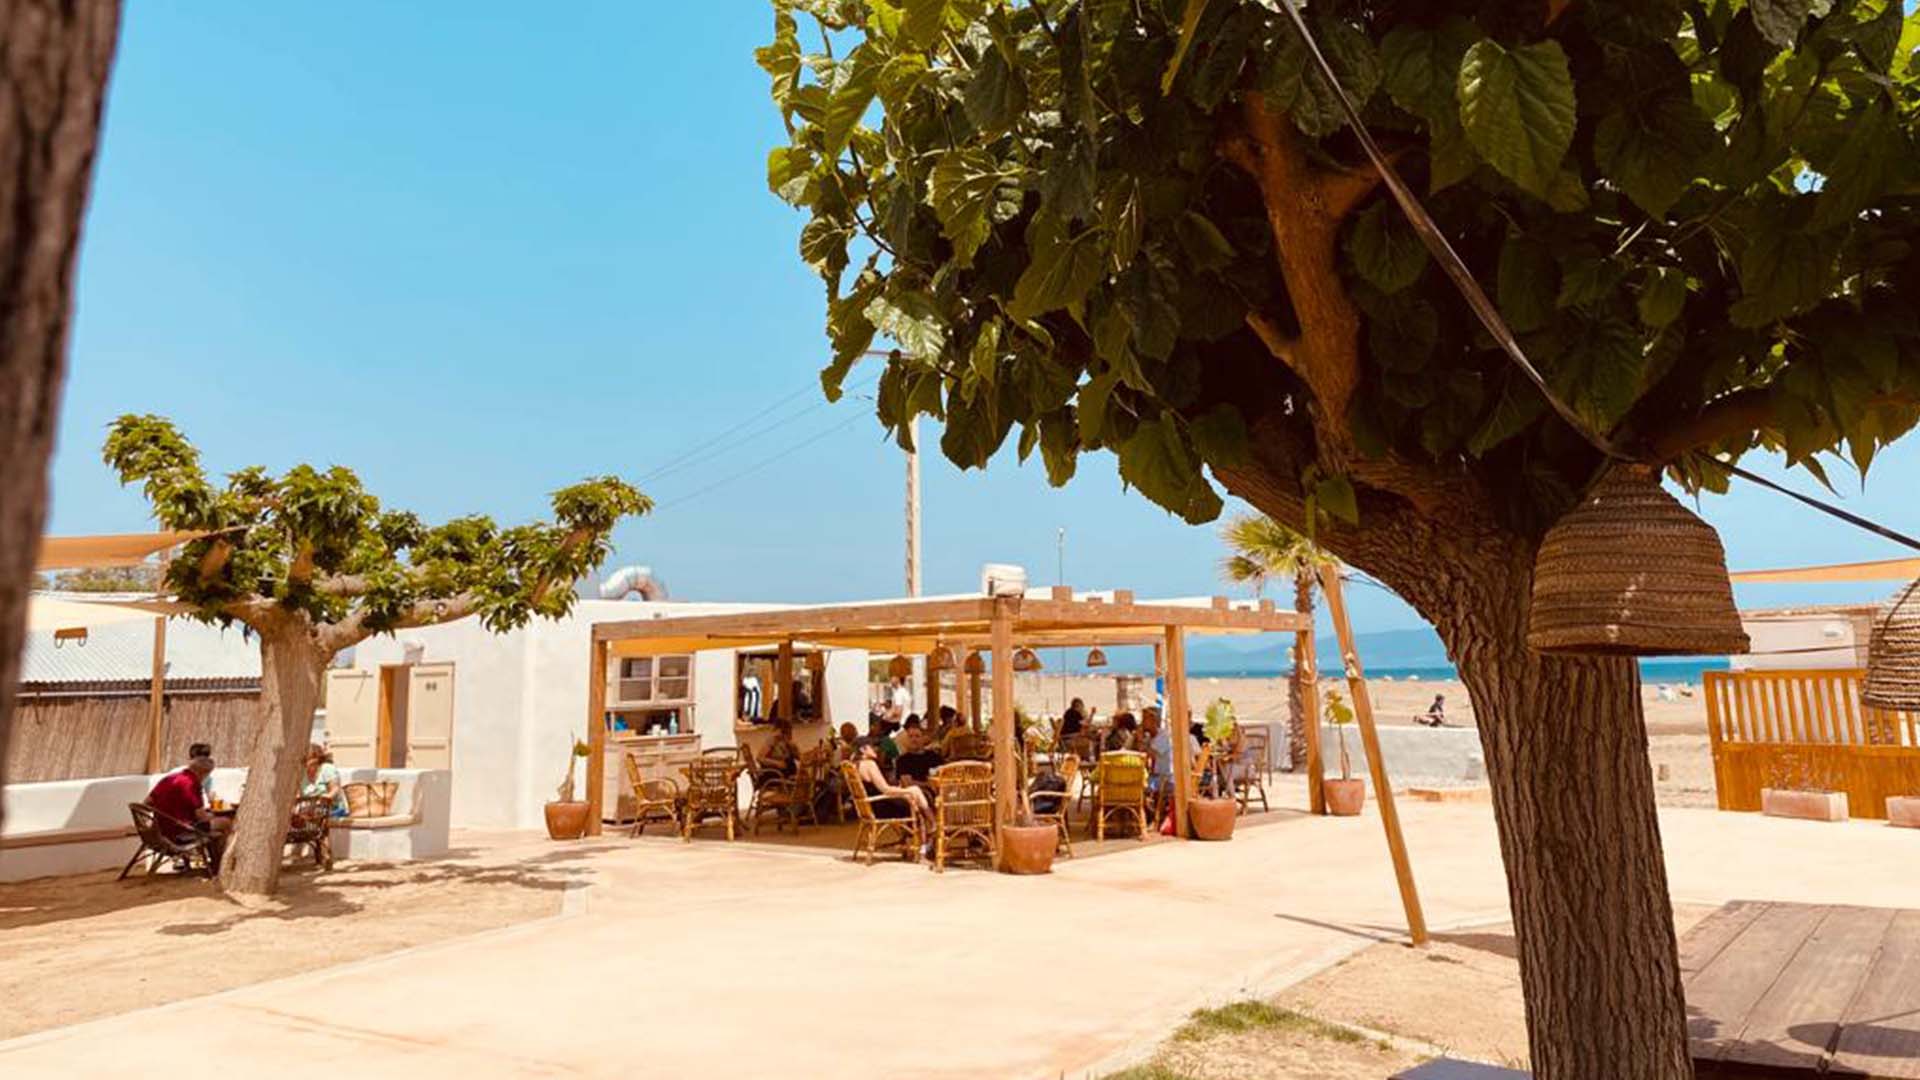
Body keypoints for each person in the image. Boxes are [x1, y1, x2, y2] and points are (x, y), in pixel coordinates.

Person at [145, 752, 227, 868]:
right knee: (225, 823)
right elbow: (201, 817)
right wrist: (213, 815)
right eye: (207, 774)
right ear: (202, 773)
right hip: (179, 833)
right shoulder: (192, 784)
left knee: (211, 825)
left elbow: (147, 802)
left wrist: (165, 811)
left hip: (159, 831)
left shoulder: (169, 779)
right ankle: (218, 864)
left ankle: (212, 862)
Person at [854, 741, 933, 839]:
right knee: (917, 793)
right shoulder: (870, 764)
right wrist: (907, 791)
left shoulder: (856, 764)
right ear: (862, 750)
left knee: (915, 795)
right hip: (881, 807)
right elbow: (885, 790)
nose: (876, 749)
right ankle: (930, 829)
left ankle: (914, 836)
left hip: (869, 806)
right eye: (872, 747)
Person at [301, 743, 349, 818]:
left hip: (333, 810)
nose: (306, 762)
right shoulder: (303, 774)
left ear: (317, 759)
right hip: (312, 811)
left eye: (308, 758)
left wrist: (327, 796)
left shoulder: (327, 769)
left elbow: (335, 789)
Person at [894, 721, 945, 786]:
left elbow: (944, 776)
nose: (913, 739)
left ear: (923, 739)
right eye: (910, 736)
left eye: (917, 736)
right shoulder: (902, 760)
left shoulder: (934, 756)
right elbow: (907, 783)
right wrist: (929, 784)